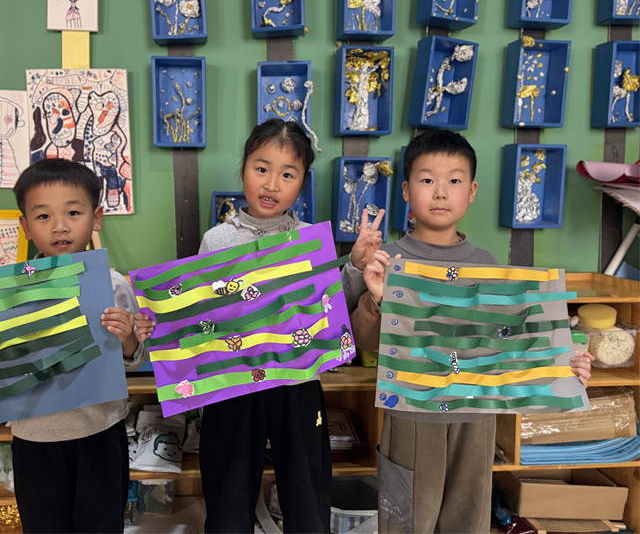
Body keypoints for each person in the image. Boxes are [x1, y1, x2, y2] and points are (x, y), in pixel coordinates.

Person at [348, 129, 594, 534]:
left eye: (454, 180)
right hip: (412, 416)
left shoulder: (489, 265)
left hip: (477, 417)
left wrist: (565, 364)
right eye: (427, 180)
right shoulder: (389, 260)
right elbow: (366, 342)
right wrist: (377, 300)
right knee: (407, 520)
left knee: (469, 518)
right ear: (406, 190)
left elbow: (514, 341)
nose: (440, 192)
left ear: (472, 191)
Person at [0, 158, 152, 533]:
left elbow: (133, 360)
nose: (60, 226)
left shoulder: (112, 284)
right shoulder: (7, 295)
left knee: (101, 524)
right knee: (43, 525)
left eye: (73, 212)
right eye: (43, 216)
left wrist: (128, 337)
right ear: (26, 227)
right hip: (34, 439)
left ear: (96, 218)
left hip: (101, 433)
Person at [163, 118, 375, 533]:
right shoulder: (216, 241)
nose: (272, 184)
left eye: (287, 174)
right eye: (262, 168)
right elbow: (200, 316)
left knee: (307, 491)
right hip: (232, 388)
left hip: (297, 384)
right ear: (243, 168)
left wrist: (354, 266)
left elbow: (332, 309)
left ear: (302, 183)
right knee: (228, 496)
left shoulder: (310, 239)